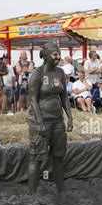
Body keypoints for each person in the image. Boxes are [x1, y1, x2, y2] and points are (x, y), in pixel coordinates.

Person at [27, 41, 73, 194]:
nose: (58, 57)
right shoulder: (37, 73)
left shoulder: (60, 72)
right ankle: (32, 194)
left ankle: (61, 191)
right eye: (55, 54)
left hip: (57, 122)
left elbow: (64, 96)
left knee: (58, 156)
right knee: (37, 158)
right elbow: (33, 99)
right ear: (45, 56)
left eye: (59, 54)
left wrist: (70, 118)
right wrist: (40, 123)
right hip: (41, 122)